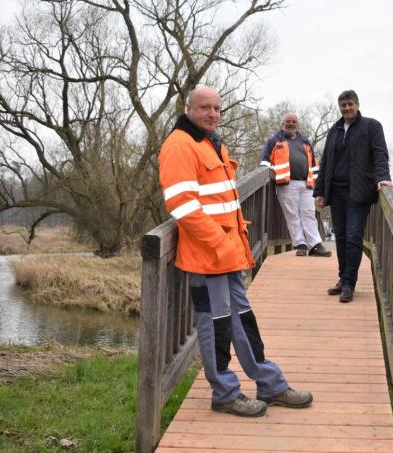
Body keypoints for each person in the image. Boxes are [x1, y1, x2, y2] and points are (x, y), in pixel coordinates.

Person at [159, 85, 313, 417]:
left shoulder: (210, 143)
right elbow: (182, 206)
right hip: (206, 257)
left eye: (217, 108)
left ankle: (269, 383)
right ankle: (225, 392)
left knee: (244, 320)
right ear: (189, 108)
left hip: (226, 254)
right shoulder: (179, 147)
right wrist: (219, 243)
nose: (212, 114)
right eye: (205, 108)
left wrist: (230, 247)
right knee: (216, 326)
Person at [313, 90, 393, 303]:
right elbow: (326, 162)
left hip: (359, 191)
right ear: (340, 108)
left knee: (353, 237)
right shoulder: (335, 130)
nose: (346, 108)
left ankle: (350, 283)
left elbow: (380, 154)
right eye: (343, 105)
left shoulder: (371, 126)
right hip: (336, 191)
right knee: (340, 237)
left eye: (350, 104)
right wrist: (320, 191)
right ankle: (342, 279)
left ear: (357, 104)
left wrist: (383, 177)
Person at [260, 113, 332, 257]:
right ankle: (301, 244)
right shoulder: (274, 140)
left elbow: (313, 165)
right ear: (283, 124)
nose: (291, 124)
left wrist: (318, 187)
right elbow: (265, 162)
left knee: (309, 213)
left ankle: (315, 245)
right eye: (288, 121)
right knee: (293, 215)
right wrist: (265, 175)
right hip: (286, 184)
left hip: (307, 183)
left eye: (294, 122)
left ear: (297, 124)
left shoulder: (305, 141)